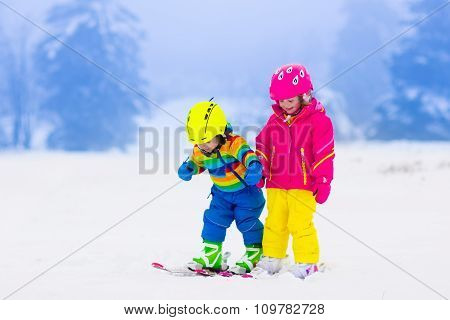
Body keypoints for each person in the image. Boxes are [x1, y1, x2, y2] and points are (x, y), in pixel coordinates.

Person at [255, 64, 335, 279]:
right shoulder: (275, 121)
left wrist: (323, 180)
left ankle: (307, 262)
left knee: (300, 224)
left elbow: (324, 153)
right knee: (274, 223)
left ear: (304, 95)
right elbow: (262, 144)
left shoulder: (319, 121)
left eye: (290, 100)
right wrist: (260, 169)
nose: (285, 105)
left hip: (304, 184)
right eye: (280, 101)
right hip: (276, 183)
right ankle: (273, 258)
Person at [178, 100, 265, 274]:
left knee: (246, 222)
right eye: (198, 142)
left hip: (246, 194)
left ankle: (255, 253)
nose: (203, 146)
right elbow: (197, 163)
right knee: (213, 220)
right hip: (221, 196)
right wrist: (189, 168)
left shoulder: (234, 143)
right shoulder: (200, 150)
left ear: (219, 132)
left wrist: (254, 167)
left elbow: (248, 156)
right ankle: (212, 255)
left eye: (206, 141)